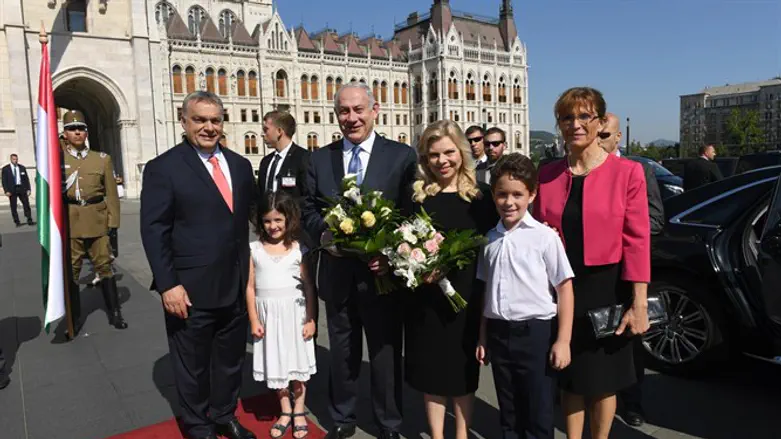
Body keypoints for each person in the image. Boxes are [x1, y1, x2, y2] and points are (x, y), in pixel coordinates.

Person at [302, 81, 416, 439]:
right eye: (344, 111)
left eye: (358, 110)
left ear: (374, 110)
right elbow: (306, 209)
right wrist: (326, 233)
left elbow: (412, 215)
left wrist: (391, 254)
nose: (351, 118)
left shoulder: (401, 156)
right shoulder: (318, 159)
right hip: (337, 274)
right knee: (342, 352)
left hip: (382, 276)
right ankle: (342, 416)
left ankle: (390, 423)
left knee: (385, 353)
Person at [534, 87, 650, 439]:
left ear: (600, 122)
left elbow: (637, 241)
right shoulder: (548, 174)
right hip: (561, 289)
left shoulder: (628, 173)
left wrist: (639, 303)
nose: (575, 124)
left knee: (602, 382)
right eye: (567, 118)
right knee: (570, 378)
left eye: (584, 116)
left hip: (607, 287)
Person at [141, 91, 257, 439]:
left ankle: (224, 414)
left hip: (235, 285)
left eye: (215, 120)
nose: (209, 127)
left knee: (230, 360)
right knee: (191, 366)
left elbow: (249, 218)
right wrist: (167, 284)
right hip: (189, 289)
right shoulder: (164, 167)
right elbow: (154, 229)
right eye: (200, 120)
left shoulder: (239, 165)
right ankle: (198, 426)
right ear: (183, 121)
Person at [403, 120, 496, 439]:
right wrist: (416, 265)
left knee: (462, 375)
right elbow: (402, 243)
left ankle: (461, 434)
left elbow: (497, 243)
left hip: (466, 299)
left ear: (462, 151)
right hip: (425, 302)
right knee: (431, 375)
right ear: (424, 159)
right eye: (433, 155)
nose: (442, 161)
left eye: (448, 153)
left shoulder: (481, 196)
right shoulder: (417, 197)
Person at [476, 153, 575, 439]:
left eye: (518, 194)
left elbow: (564, 288)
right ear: (493, 195)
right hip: (498, 333)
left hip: (536, 334)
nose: (509, 202)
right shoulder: (489, 239)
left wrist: (563, 340)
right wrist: (483, 337)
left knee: (538, 409)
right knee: (509, 409)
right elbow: (485, 289)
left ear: (532, 194)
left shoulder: (545, 237)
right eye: (502, 194)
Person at [600, 113, 664, 427]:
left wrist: (616, 231)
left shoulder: (639, 170)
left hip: (627, 270)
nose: (600, 141)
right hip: (594, 273)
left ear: (618, 138)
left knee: (628, 342)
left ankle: (632, 403)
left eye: (606, 135)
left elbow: (654, 220)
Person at [248, 192, 317, 439]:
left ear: (288, 220)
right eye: (267, 221)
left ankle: (299, 410)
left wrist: (311, 318)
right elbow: (250, 287)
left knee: (297, 365)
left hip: (295, 315)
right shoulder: (254, 249)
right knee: (276, 363)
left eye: (278, 220)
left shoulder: (299, 249)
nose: (273, 226)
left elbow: (309, 285)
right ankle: (285, 410)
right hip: (269, 318)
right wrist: (254, 319)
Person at [61, 110, 126, 331]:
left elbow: (112, 194)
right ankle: (74, 318)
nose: (77, 132)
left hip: (97, 223)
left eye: (81, 128)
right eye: (72, 128)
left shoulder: (101, 159)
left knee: (105, 268)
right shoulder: (58, 160)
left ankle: (115, 313)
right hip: (71, 224)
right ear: (65, 133)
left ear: (86, 132)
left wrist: (113, 224)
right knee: (71, 271)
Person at [258, 111, 310, 200]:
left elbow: (307, 197)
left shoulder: (304, 159)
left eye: (266, 129)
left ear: (279, 131)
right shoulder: (265, 162)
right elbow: (258, 196)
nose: (262, 134)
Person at [2, 154, 35, 227]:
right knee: (13, 206)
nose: (15, 160)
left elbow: (26, 179)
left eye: (16, 159)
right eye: (14, 159)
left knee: (26, 204)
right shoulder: (6, 169)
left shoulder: (22, 168)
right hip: (12, 189)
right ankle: (17, 221)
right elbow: (4, 181)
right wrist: (6, 191)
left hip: (21, 188)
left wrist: (28, 189)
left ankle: (29, 219)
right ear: (11, 159)